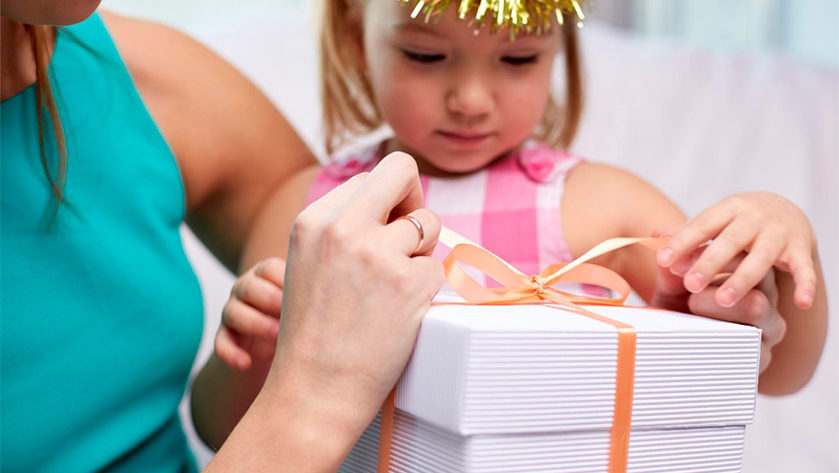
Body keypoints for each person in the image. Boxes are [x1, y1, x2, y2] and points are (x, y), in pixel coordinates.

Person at [211, 1, 829, 450]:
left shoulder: (600, 202)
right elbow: (222, 430)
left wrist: (776, 248)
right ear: (354, 34)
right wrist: (259, 351)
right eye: (425, 54)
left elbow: (775, 372)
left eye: (517, 58)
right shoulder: (316, 212)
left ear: (559, 47)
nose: (472, 98)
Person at [1, 1, 443, 472]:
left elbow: (287, 196)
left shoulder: (131, 72)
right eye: (424, 55)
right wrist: (310, 401)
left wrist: (273, 326)